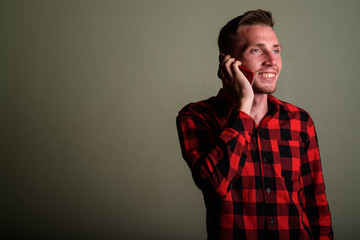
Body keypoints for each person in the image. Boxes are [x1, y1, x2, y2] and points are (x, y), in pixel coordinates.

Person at [176, 9, 333, 239]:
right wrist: (244, 104)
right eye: (257, 50)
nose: (272, 61)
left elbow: (315, 203)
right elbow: (216, 184)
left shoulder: (300, 121)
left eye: (276, 50)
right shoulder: (196, 116)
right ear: (226, 62)